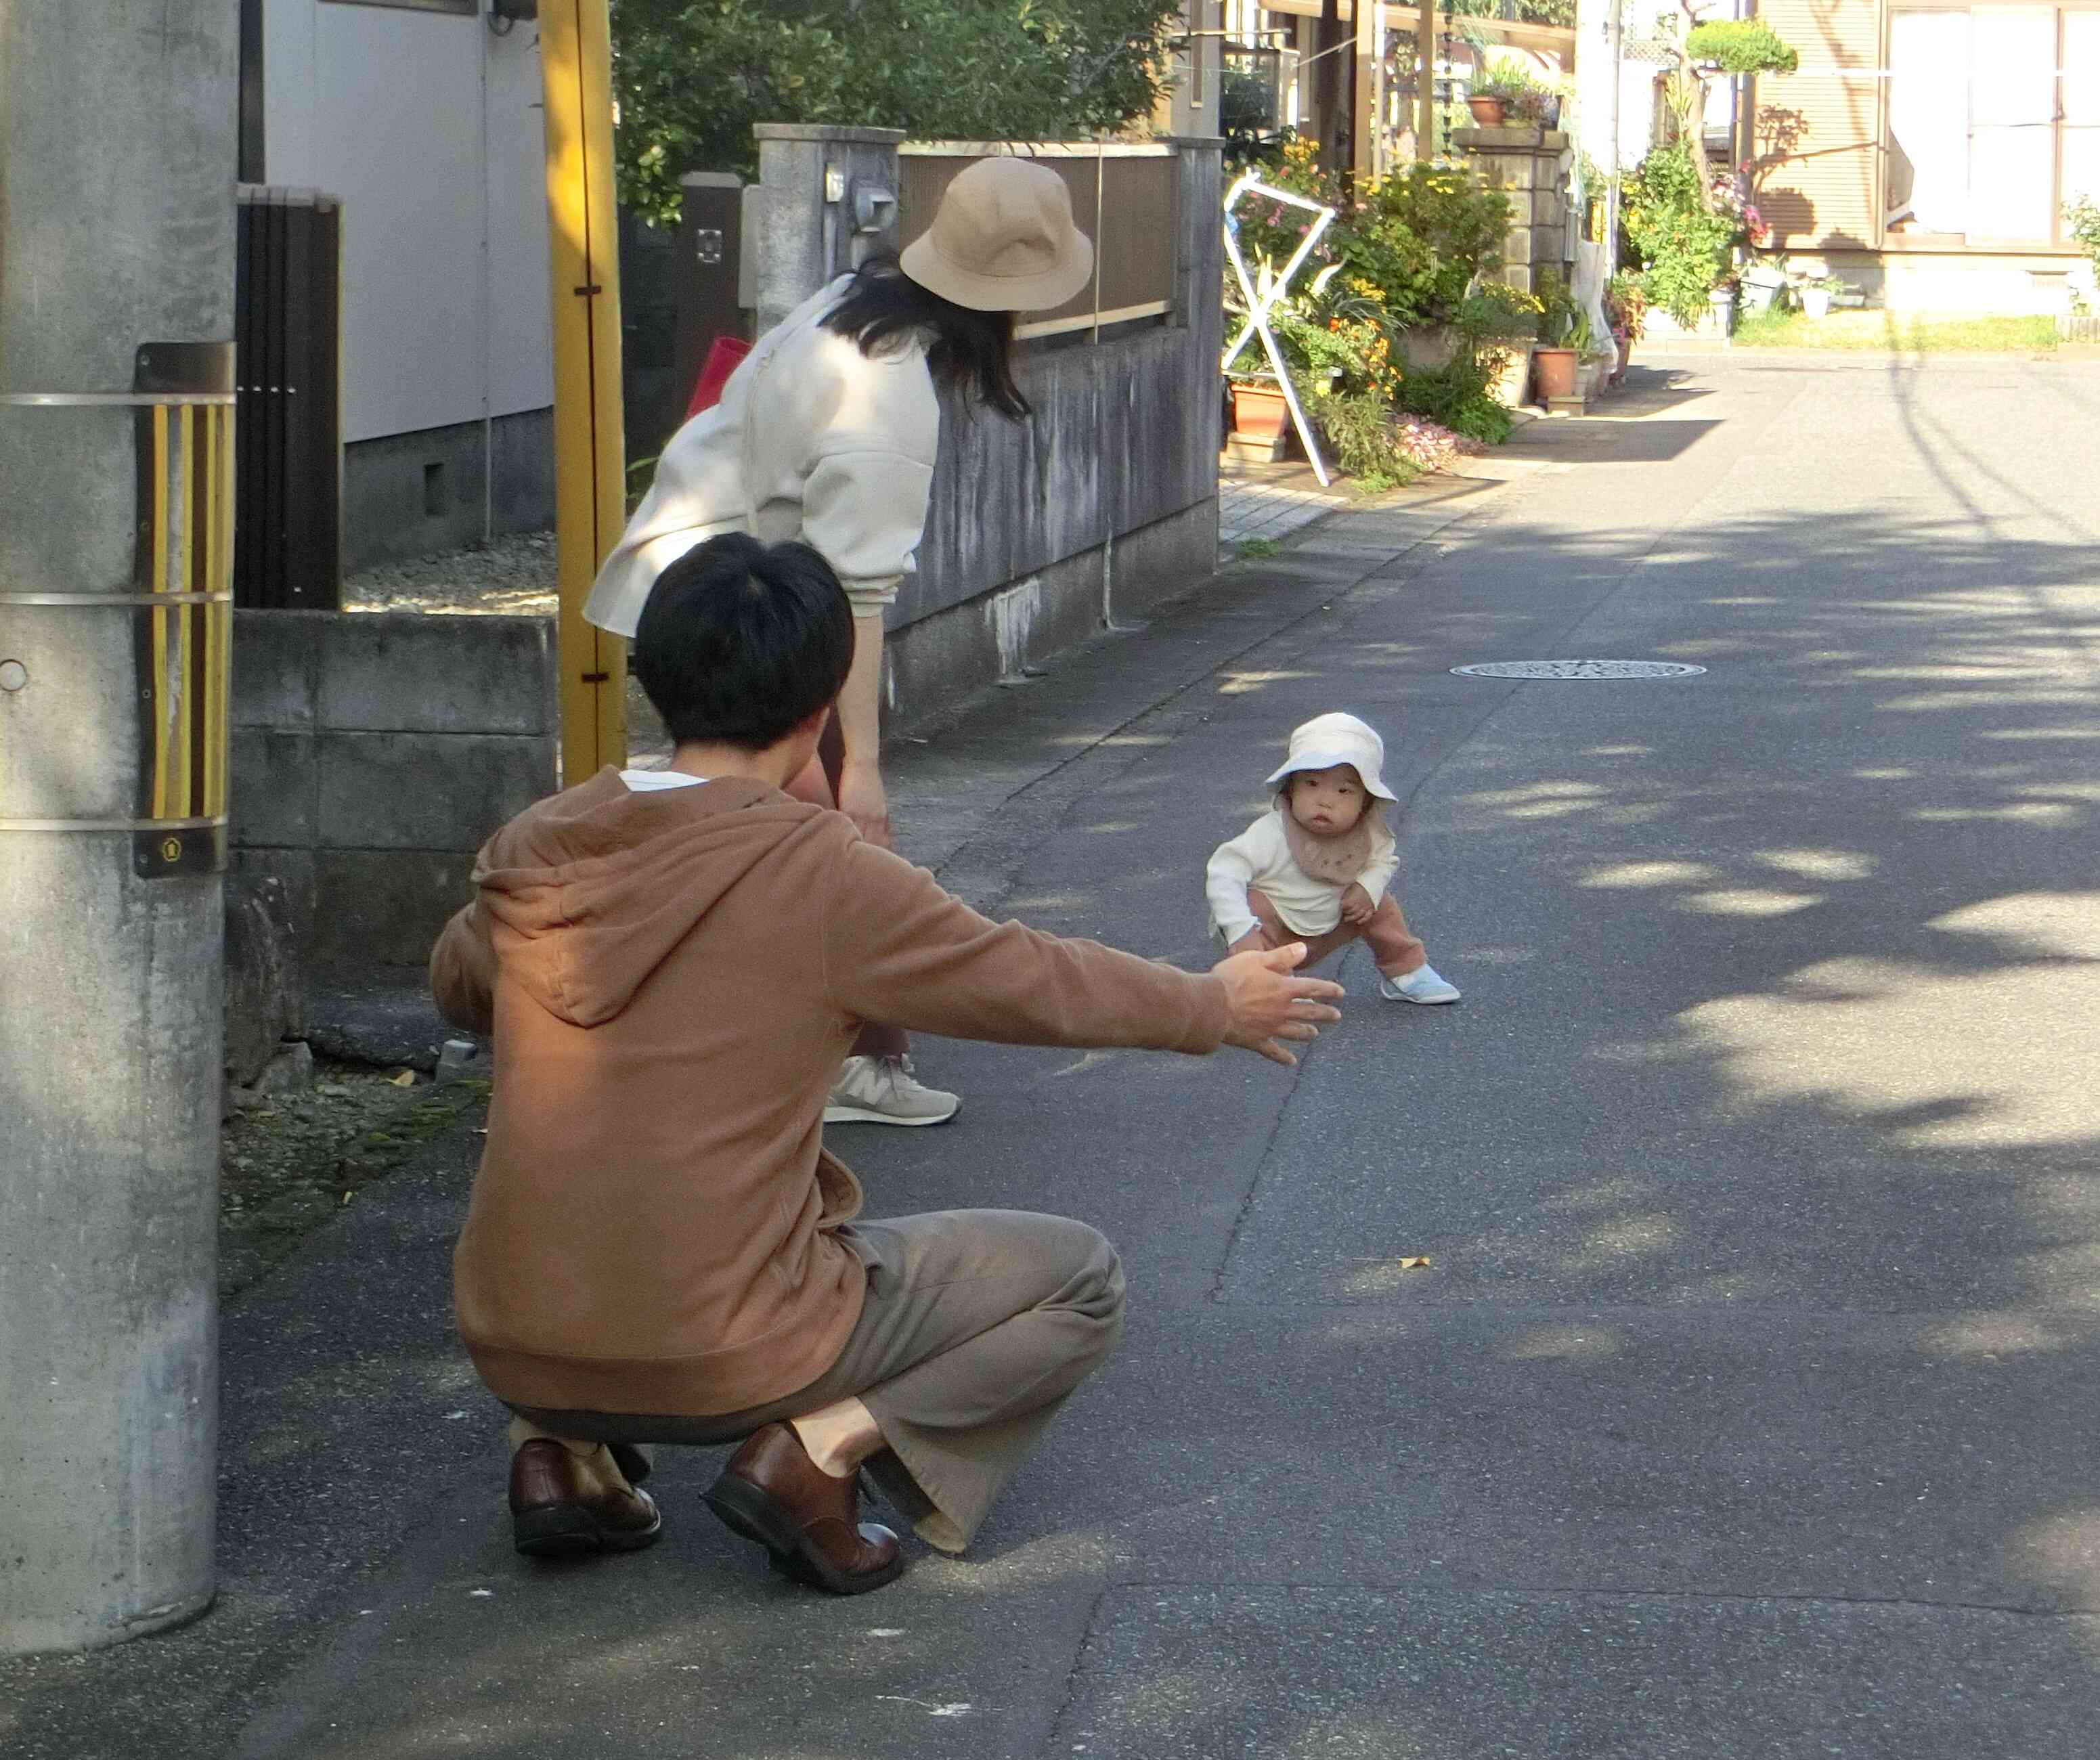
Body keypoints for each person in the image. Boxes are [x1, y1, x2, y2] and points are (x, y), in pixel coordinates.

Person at [430, 534, 1344, 1595]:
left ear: (652, 683)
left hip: (513, 1340)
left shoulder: (537, 848)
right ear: (818, 712)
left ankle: (557, 1453)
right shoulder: (818, 876)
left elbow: (458, 983)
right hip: (727, 1353)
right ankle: (815, 1451)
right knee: (1077, 1277)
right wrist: (1206, 1004)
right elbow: (1023, 977)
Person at [585, 156, 1093, 1129]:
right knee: (825, 849)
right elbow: (858, 594)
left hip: (709, 589)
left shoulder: (852, 299)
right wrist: (860, 768)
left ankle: (814, 1059)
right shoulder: (890, 404)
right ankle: (827, 1067)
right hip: (747, 612)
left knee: (759, 851)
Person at [1206, 711, 1461, 1005]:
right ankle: (1271, 980)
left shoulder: (1367, 835)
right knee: (1255, 901)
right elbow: (1224, 870)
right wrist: (1240, 930)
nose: (1325, 800)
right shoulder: (1272, 833)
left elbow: (1384, 861)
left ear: (1365, 802)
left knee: (1379, 902)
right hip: (1271, 935)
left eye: (1344, 790)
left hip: (1334, 922)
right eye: (1312, 784)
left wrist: (1367, 886)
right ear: (1291, 789)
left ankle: (1407, 970)